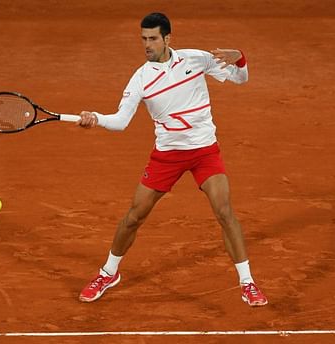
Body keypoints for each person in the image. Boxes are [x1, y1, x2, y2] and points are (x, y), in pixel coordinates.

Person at [76, 12, 268, 307]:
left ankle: (248, 283)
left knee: (225, 212)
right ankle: (108, 272)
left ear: (168, 38)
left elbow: (242, 79)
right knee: (134, 216)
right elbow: (120, 121)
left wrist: (240, 57)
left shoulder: (196, 60)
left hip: (205, 151)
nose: (147, 45)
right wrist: (96, 118)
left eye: (153, 38)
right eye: (143, 39)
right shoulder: (140, 78)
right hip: (167, 155)